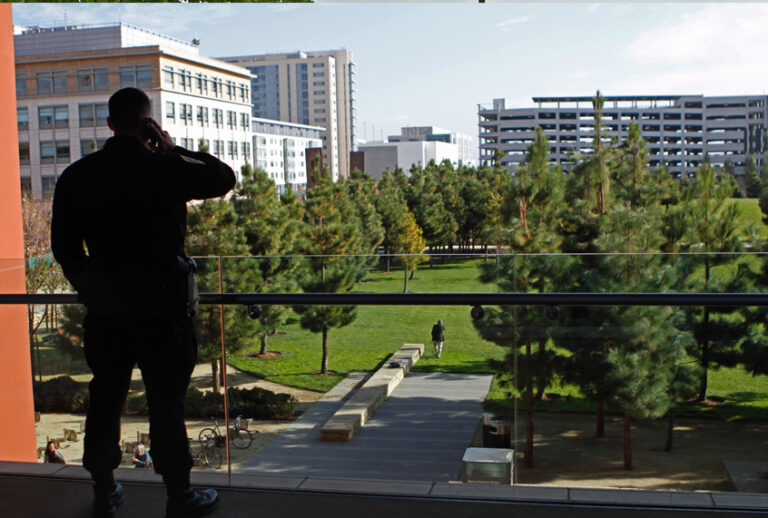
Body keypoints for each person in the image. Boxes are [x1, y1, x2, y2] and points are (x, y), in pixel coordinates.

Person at [52, 87, 235, 518]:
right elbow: (223, 178)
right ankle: (178, 495)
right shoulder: (164, 170)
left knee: (106, 398)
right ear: (149, 124)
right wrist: (173, 150)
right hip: (162, 309)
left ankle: (104, 488)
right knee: (166, 404)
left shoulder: (78, 176)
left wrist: (90, 282)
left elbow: (64, 248)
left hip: (108, 312)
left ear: (110, 123)